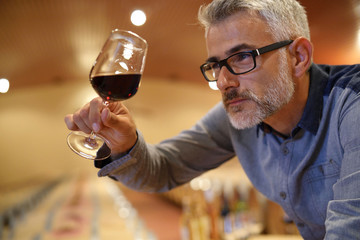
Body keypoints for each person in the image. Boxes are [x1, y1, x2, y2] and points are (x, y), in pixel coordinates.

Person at [64, 0, 360, 239]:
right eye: (215, 65)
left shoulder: (352, 104)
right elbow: (163, 169)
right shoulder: (241, 115)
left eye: (243, 56)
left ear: (298, 57)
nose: (222, 81)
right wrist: (125, 145)